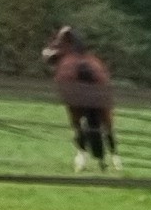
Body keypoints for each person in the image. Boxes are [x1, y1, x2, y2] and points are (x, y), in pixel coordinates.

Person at [47, 26, 118, 173]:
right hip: (99, 99)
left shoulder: (63, 53)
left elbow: (48, 56)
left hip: (75, 100)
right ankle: (115, 159)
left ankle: (81, 157)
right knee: (104, 122)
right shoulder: (93, 60)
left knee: (77, 122)